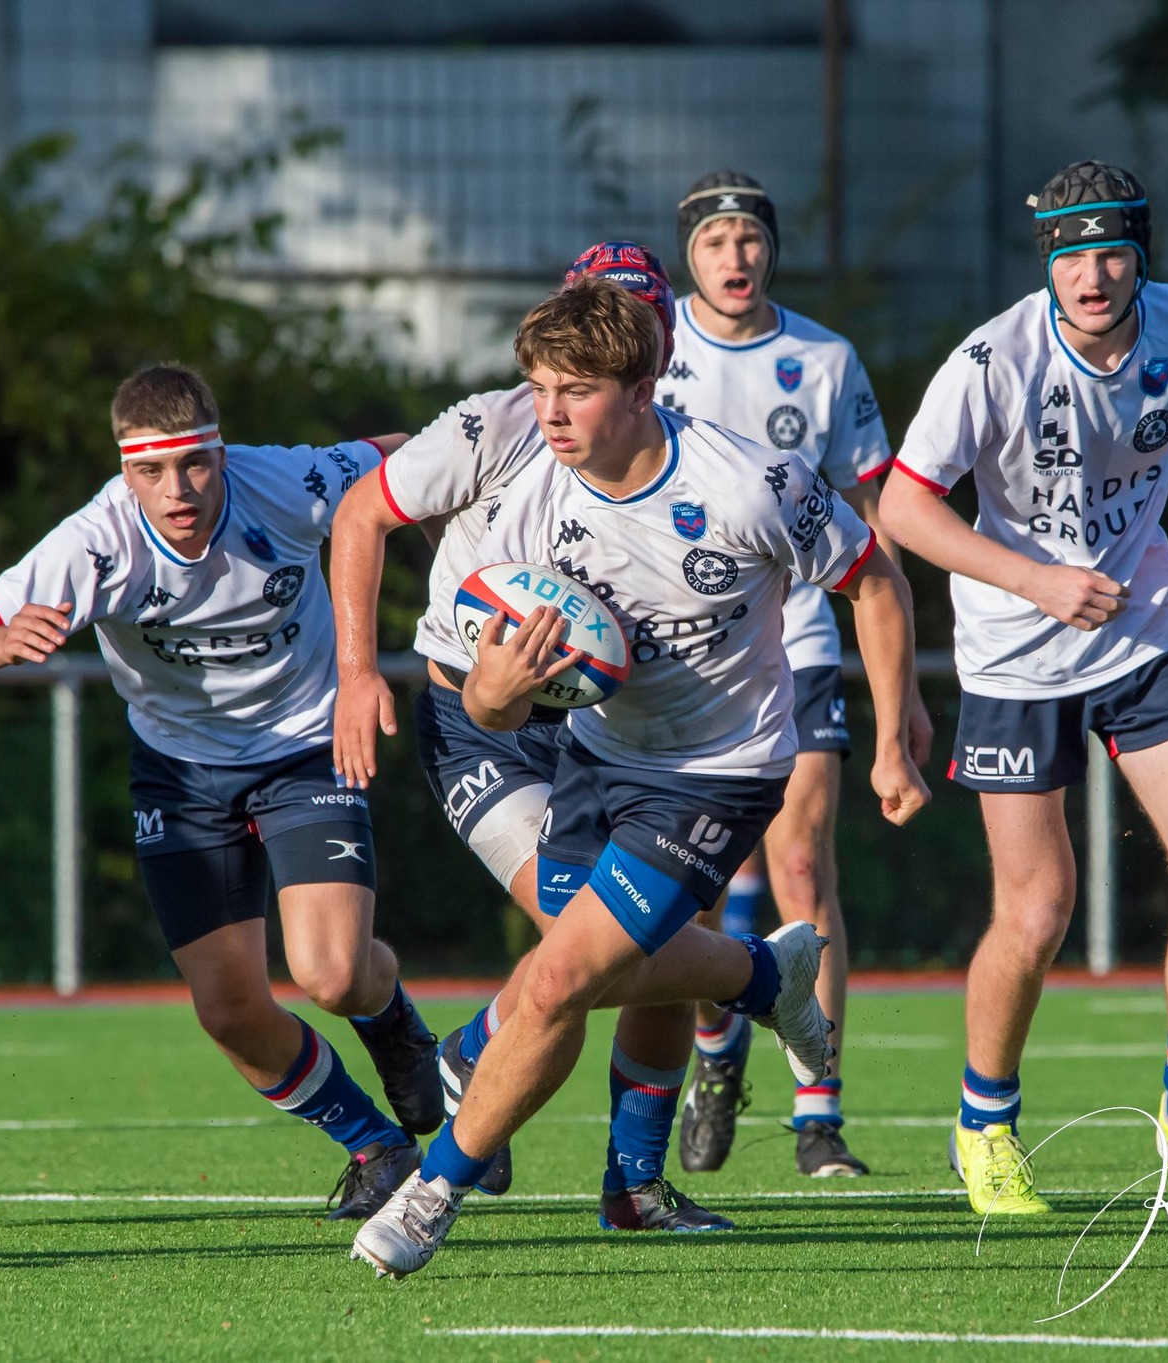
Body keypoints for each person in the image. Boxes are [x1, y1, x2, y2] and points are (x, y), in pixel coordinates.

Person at [349, 273, 929, 1279]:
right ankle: (757, 980)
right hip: (597, 756)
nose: (549, 414)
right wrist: (494, 687)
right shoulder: (529, 507)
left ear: (641, 387)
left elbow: (870, 576)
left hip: (720, 769)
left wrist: (895, 725)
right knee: (588, 970)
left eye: (573, 390)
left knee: (561, 973)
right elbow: (496, 711)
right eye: (536, 389)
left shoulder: (747, 485)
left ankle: (431, 1187)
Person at [879, 160, 1168, 1216]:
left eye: (1109, 249)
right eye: (1070, 253)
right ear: (1047, 264)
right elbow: (903, 509)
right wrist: (1034, 581)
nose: (1091, 272)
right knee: (1036, 910)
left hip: (1144, 635)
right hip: (1014, 658)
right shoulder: (989, 362)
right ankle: (982, 1127)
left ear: (1139, 255)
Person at [0, 363, 439, 1221]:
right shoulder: (98, 542)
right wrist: (1, 641)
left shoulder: (283, 481)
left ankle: (393, 1024)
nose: (178, 491)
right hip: (181, 774)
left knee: (334, 973)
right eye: (151, 471)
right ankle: (377, 1145)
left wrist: (456, 574)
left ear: (222, 450)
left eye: (196, 464)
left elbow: (413, 461)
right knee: (230, 1009)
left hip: (304, 748)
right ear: (125, 470)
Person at [333, 242, 755, 1231]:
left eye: (626, 323)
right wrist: (356, 672)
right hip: (475, 724)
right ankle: (481, 1048)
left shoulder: (686, 452)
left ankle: (634, 1185)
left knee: (644, 928)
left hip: (606, 729)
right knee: (593, 935)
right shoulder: (499, 422)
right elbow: (362, 515)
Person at [660, 171, 932, 1180]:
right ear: (688, 252)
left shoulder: (820, 359)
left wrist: (901, 701)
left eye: (749, 238)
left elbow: (877, 527)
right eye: (715, 239)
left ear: (769, 248)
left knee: (803, 863)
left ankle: (817, 1114)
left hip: (802, 641)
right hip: (680, 651)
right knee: (685, 888)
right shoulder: (653, 351)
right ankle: (716, 1050)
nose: (735, 256)